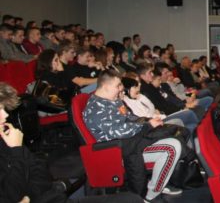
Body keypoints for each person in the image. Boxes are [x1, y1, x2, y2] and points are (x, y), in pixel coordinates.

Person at [1, 81, 142, 203]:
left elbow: (43, 174)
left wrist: (28, 196)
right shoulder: (13, 144)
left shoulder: (6, 140)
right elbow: (13, 195)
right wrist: (16, 151)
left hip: (53, 198)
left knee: (132, 199)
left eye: (3, 109)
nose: (6, 115)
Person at [83, 71, 183, 201]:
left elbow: (130, 117)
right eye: (118, 85)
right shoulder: (96, 108)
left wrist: (148, 121)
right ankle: (150, 195)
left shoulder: (112, 100)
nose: (121, 89)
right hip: (118, 150)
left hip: (132, 140)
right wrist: (147, 126)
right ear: (106, 86)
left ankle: (155, 184)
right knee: (172, 147)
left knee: (172, 134)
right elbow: (118, 132)